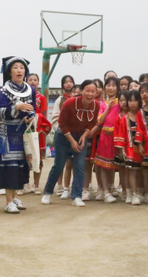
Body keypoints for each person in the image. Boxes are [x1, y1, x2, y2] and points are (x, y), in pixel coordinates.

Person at [0, 57, 35, 214]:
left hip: (23, 132)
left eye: (22, 67)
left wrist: (30, 116)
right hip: (7, 133)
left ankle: (13, 198)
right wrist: (17, 106)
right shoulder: (4, 90)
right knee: (10, 167)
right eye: (16, 67)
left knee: (20, 165)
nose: (19, 70)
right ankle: (8, 202)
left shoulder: (30, 90)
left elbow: (32, 108)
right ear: (10, 71)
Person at [41, 79, 100, 208]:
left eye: (93, 91)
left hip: (81, 135)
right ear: (82, 91)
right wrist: (72, 141)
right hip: (64, 135)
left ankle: (77, 196)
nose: (90, 94)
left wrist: (84, 137)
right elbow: (61, 123)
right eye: (87, 91)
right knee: (59, 165)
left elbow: (92, 123)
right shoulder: (69, 103)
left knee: (80, 165)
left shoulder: (96, 105)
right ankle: (47, 192)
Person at [114, 90, 144, 205]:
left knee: (140, 172)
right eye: (130, 100)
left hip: (141, 148)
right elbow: (121, 134)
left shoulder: (141, 116)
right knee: (130, 171)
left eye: (135, 100)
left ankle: (141, 192)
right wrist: (122, 150)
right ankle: (132, 193)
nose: (132, 103)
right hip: (129, 149)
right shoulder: (124, 118)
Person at [94, 78, 121, 203]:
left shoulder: (121, 102)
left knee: (114, 165)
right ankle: (105, 191)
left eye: (114, 85)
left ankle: (112, 187)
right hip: (105, 136)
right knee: (104, 165)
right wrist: (107, 108)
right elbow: (100, 121)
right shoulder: (103, 104)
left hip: (118, 136)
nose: (111, 88)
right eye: (108, 85)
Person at [50, 75, 75, 198]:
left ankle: (68, 187)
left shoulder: (78, 98)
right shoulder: (60, 99)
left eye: (70, 82)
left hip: (74, 135)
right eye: (66, 82)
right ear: (62, 85)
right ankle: (59, 185)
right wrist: (60, 129)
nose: (68, 84)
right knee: (59, 161)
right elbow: (55, 117)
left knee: (71, 162)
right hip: (61, 134)